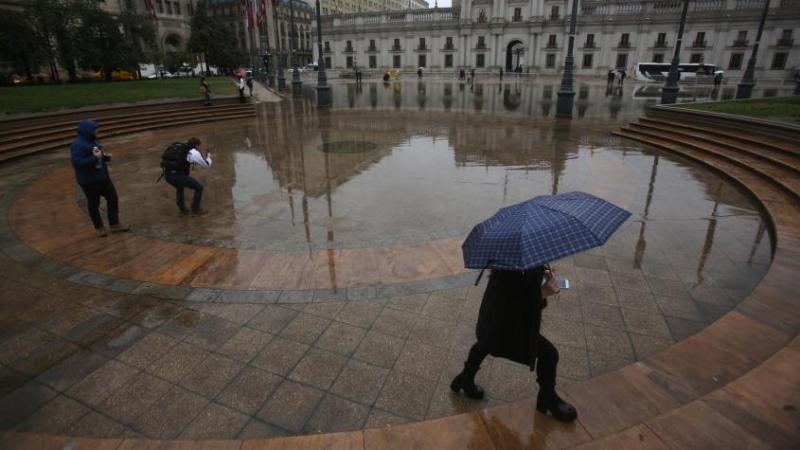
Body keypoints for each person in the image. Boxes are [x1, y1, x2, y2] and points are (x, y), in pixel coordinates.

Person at [450, 266, 577, 422]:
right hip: (504, 331)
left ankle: (465, 378)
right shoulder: (509, 274)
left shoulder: (509, 263)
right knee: (549, 354)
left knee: (484, 343)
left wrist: (540, 274)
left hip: (491, 324)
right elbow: (516, 308)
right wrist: (542, 293)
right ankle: (548, 398)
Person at [70, 120, 130, 237]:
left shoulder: (93, 141)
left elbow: (98, 155)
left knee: (112, 198)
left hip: (103, 177)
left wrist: (104, 157)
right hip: (89, 181)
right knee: (94, 204)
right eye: (95, 130)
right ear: (88, 131)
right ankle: (99, 227)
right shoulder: (78, 145)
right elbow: (77, 162)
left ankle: (114, 224)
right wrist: (94, 158)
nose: (98, 131)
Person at [161, 137, 212, 216]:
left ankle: (182, 209)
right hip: (176, 176)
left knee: (180, 187)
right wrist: (209, 157)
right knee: (199, 188)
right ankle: (195, 210)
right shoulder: (194, 153)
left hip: (168, 175)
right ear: (196, 145)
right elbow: (206, 165)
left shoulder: (181, 146)